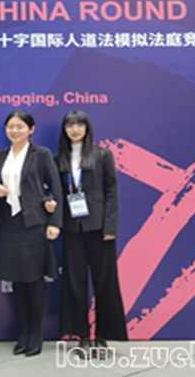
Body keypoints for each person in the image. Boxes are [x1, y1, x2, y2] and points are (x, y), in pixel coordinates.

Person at [51, 110, 127, 358]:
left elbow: (111, 191)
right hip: (72, 228)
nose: (74, 129)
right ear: (64, 130)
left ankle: (102, 337)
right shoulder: (57, 159)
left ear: (87, 128)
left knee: (105, 282)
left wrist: (111, 227)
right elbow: (53, 192)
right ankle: (81, 335)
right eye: (69, 125)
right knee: (74, 282)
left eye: (79, 124)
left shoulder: (102, 155)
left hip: (100, 228)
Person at [0, 110, 63, 357]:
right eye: (10, 126)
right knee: (17, 281)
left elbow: (56, 189)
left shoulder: (41, 154)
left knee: (34, 280)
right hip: (8, 223)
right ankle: (23, 333)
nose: (14, 131)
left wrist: (54, 222)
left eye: (20, 126)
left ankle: (36, 333)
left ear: (31, 129)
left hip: (34, 222)